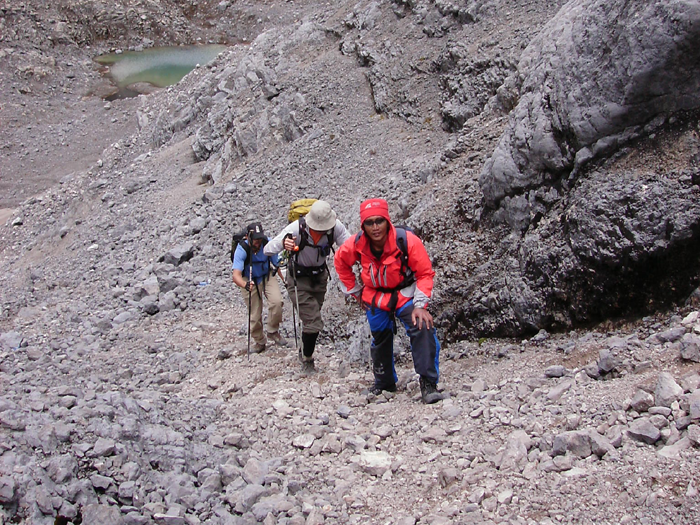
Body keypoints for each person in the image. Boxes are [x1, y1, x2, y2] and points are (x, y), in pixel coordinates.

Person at [334, 198, 443, 404]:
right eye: (369, 223)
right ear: (363, 226)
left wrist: (420, 305)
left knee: (422, 326)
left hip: (405, 293)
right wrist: (355, 291)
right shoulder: (356, 244)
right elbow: (340, 261)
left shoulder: (407, 240)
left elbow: (425, 273)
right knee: (379, 335)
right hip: (374, 296)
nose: (375, 227)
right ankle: (384, 383)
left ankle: (428, 383)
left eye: (379, 221)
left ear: (387, 221)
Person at [264, 200, 350, 372]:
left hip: (320, 278)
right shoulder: (296, 228)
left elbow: (350, 247)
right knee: (313, 321)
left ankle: (304, 349)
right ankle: (307, 360)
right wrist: (284, 243)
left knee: (313, 316)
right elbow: (268, 249)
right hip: (298, 280)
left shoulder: (335, 227)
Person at [232, 222, 287, 353]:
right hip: (248, 279)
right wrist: (245, 285)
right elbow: (236, 275)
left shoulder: (267, 243)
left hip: (266, 275)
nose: (258, 242)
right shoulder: (242, 249)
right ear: (248, 237)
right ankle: (259, 341)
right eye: (255, 239)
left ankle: (272, 331)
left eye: (259, 238)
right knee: (255, 314)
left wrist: (284, 280)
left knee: (277, 301)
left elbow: (277, 264)